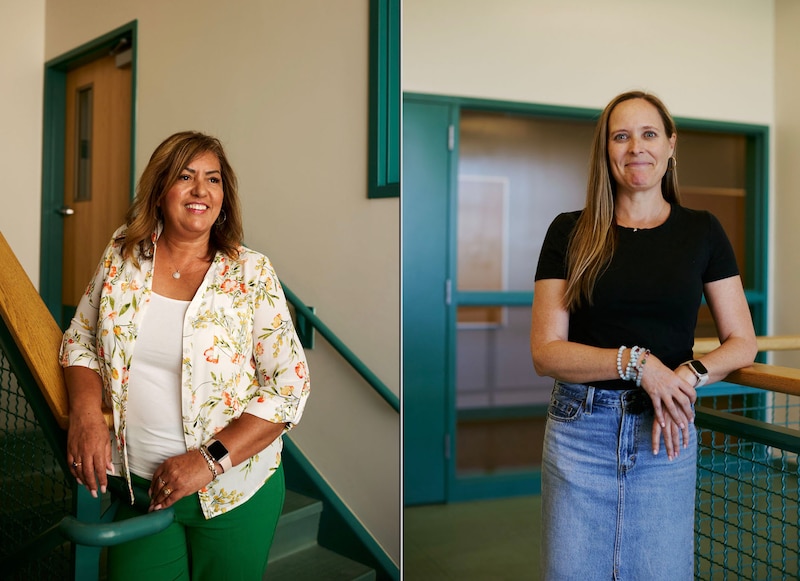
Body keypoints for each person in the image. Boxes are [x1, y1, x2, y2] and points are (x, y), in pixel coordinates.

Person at [60, 131, 310, 579]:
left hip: (234, 493)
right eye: (185, 176)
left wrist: (208, 460)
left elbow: (289, 388)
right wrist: (84, 413)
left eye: (212, 179)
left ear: (224, 196)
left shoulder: (250, 273)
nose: (201, 191)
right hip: (139, 490)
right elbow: (80, 338)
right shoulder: (123, 254)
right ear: (159, 192)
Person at [530, 91, 757, 580]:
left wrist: (687, 374)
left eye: (649, 133)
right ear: (606, 149)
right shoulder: (570, 232)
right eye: (622, 135)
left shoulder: (702, 231)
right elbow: (546, 352)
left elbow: (742, 340)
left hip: (666, 433)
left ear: (671, 145)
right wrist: (638, 363)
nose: (637, 147)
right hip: (579, 432)